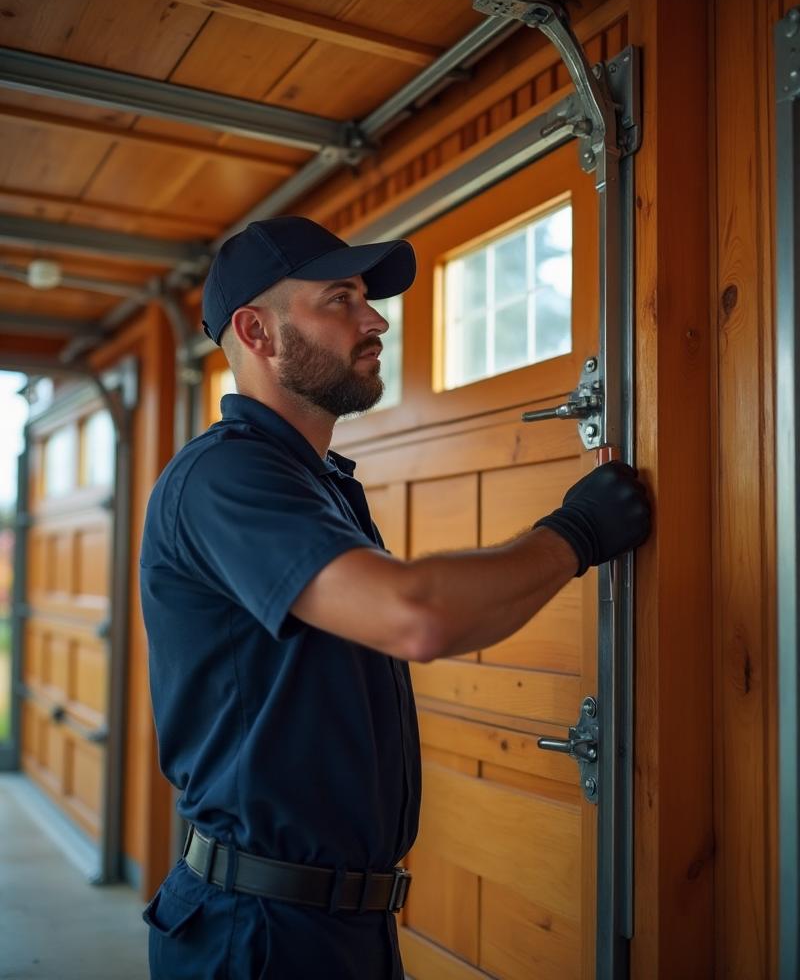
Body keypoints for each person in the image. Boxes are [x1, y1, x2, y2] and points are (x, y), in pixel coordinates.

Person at [139, 215, 650, 980]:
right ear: (257, 331)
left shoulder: (319, 484)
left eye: (366, 299)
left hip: (337, 925)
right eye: (339, 299)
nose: (374, 318)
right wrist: (574, 534)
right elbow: (415, 615)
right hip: (257, 936)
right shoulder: (224, 479)